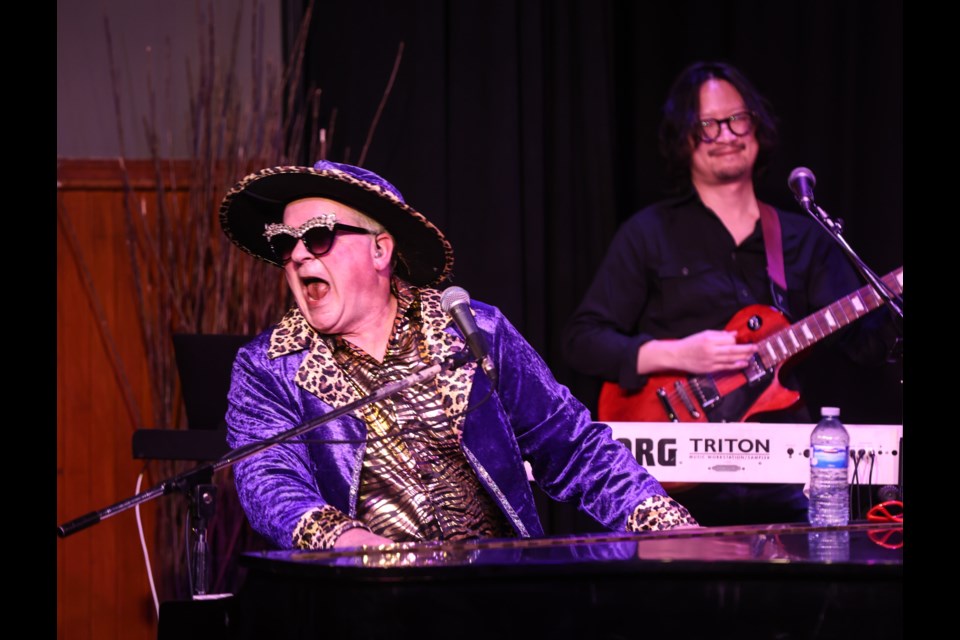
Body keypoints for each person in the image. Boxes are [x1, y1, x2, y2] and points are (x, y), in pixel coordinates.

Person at [218, 159, 697, 551]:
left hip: (496, 597)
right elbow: (268, 482)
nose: (299, 254)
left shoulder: (472, 331)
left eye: (319, 236)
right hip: (361, 606)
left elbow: (573, 447)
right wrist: (351, 542)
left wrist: (667, 525)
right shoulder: (267, 367)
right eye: (285, 242)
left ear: (380, 249)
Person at [562, 61, 900, 526]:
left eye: (737, 119)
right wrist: (678, 353)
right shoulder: (648, 233)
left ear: (757, 127)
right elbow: (582, 340)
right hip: (674, 476)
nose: (726, 134)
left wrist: (889, 301)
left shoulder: (803, 236)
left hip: (785, 474)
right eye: (707, 125)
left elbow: (862, 345)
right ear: (684, 138)